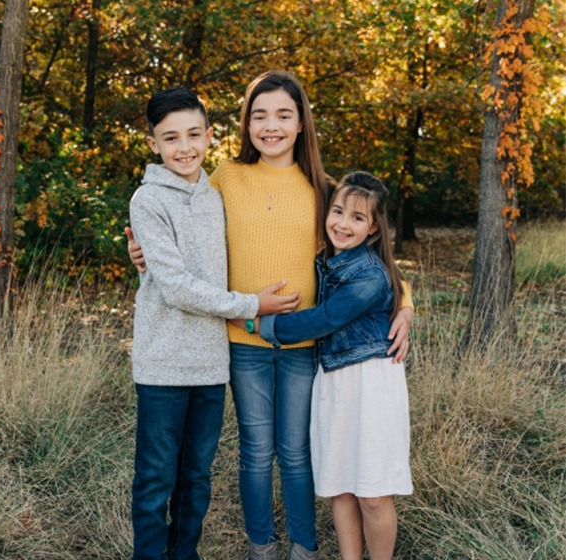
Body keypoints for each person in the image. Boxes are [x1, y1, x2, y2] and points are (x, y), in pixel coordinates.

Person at [126, 71, 413, 560]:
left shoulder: (324, 189)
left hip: (304, 346)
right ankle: (263, 546)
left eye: (283, 115)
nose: (271, 126)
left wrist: (405, 303)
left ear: (302, 123)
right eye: (259, 116)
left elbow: (366, 257)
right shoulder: (225, 178)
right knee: (256, 453)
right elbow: (181, 221)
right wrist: (138, 254)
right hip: (242, 342)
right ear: (244, 124)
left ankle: (303, 546)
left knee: (297, 455)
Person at [128, 86, 301, 560]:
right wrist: (252, 305)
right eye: (170, 138)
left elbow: (254, 242)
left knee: (196, 477)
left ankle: (185, 554)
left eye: (193, 135)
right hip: (163, 365)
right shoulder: (147, 200)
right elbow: (177, 286)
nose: (184, 148)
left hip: (210, 364)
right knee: (156, 478)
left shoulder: (214, 193)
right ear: (153, 144)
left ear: (209, 135)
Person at [247, 171, 413, 560]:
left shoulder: (370, 276)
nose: (342, 223)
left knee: (372, 493)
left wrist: (256, 320)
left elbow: (319, 320)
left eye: (357, 218)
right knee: (340, 485)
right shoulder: (325, 261)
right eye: (337, 211)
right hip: (333, 381)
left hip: (371, 383)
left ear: (373, 229)